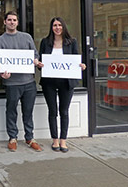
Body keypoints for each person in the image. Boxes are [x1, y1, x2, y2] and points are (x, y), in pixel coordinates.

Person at [0, 11, 43, 152]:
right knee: (11, 111)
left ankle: (29, 138)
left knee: (28, 111)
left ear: (17, 22)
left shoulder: (26, 37)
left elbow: (35, 55)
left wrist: (35, 61)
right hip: (11, 84)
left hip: (28, 83)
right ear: (4, 22)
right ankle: (13, 138)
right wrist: (1, 73)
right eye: (9, 20)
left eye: (14, 20)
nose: (12, 22)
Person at [39, 17, 86, 153]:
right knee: (52, 111)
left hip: (66, 82)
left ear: (63, 27)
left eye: (59, 25)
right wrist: (40, 65)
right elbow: (41, 63)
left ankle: (63, 140)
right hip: (49, 83)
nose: (57, 27)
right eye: (54, 25)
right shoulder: (45, 42)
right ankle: (54, 140)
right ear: (51, 27)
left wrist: (81, 66)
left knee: (64, 112)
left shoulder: (72, 42)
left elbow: (76, 60)